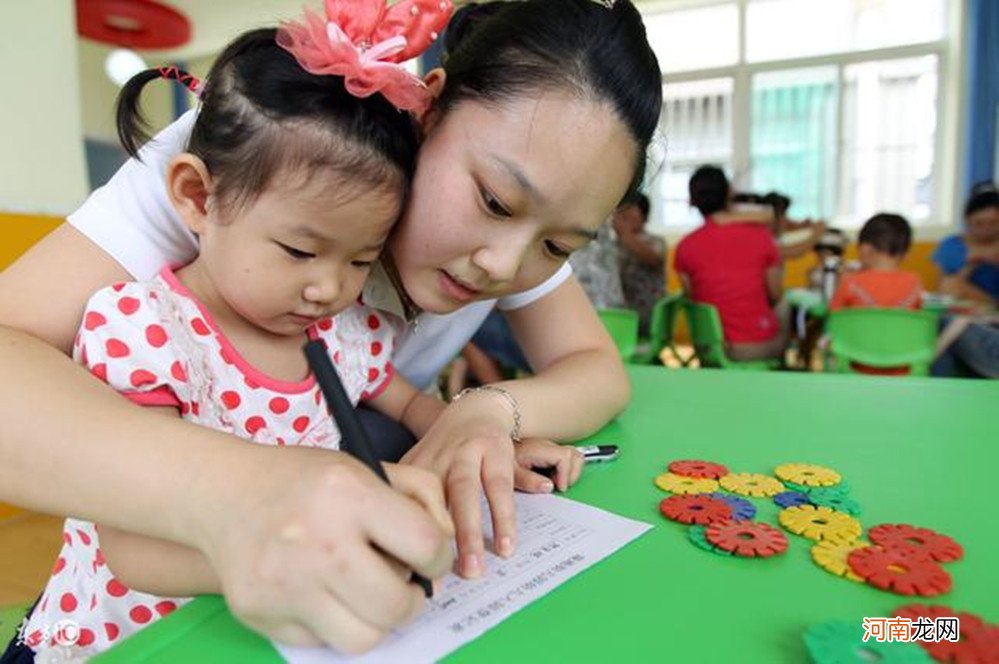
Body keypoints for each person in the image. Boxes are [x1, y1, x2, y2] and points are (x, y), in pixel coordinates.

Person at [0, 0, 662, 653]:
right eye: (492, 201)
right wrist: (237, 492)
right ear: (425, 109)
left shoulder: (523, 215)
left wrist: (484, 413)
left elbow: (594, 368)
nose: (503, 264)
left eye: (557, 246)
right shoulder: (271, 150)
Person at [674, 165, 788, 362]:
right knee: (785, 303)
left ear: (693, 201)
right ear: (729, 195)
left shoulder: (685, 246)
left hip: (709, 347)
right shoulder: (761, 237)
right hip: (755, 347)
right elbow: (775, 294)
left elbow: (692, 297)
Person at [829, 213, 923, 311]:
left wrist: (840, 284)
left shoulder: (850, 282)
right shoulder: (915, 283)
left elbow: (833, 317)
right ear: (906, 254)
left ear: (864, 249)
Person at [932, 183, 999, 305]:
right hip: (972, 305)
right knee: (950, 283)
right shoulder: (952, 246)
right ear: (967, 221)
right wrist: (973, 262)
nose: (986, 229)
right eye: (979, 223)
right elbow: (945, 288)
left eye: (993, 223)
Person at [612, 192, 665, 336]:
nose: (624, 217)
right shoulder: (612, 245)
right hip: (619, 310)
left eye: (629, 213)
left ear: (644, 216)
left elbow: (654, 259)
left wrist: (625, 234)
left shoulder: (655, 241)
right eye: (621, 213)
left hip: (647, 314)